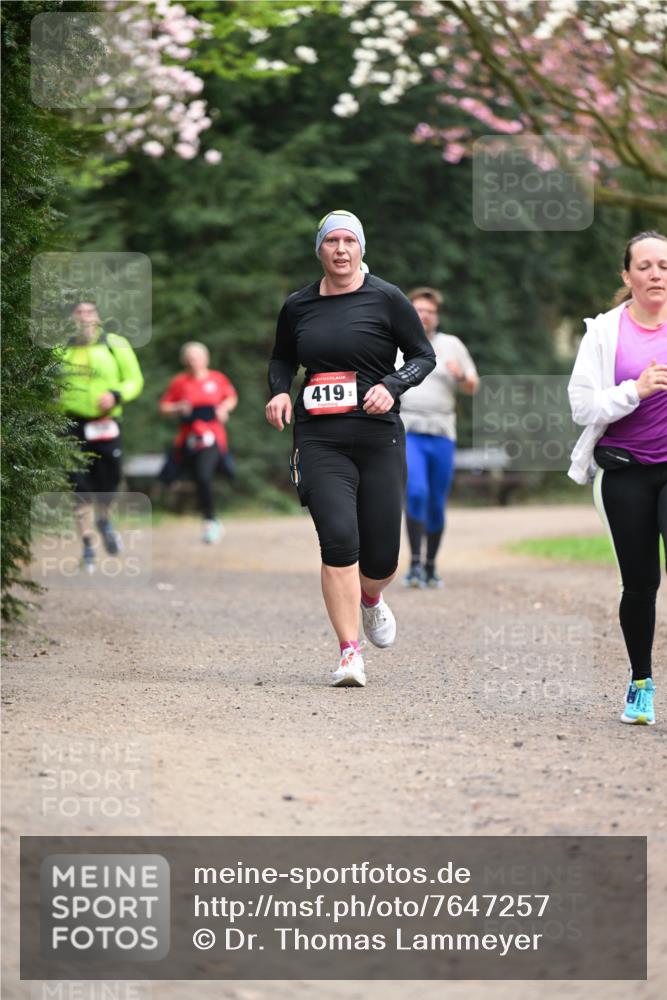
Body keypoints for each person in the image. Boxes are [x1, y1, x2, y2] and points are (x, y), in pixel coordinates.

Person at [266, 210, 435, 687]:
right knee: (339, 540)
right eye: (331, 241)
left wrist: (393, 385)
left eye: (349, 241)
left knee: (380, 558)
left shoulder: (386, 298)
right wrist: (280, 390)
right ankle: (348, 652)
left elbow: (423, 355)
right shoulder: (298, 305)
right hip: (319, 438)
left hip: (378, 435)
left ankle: (371, 599)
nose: (340, 249)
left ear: (361, 248)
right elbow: (282, 357)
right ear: (319, 249)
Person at [568, 230, 667, 726]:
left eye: (664, 266)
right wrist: (637, 389)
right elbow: (582, 406)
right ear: (627, 276)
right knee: (641, 582)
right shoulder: (605, 332)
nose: (656, 274)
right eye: (645, 266)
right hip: (624, 470)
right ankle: (641, 683)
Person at [398, 287, 479, 588]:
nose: (424, 315)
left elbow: (473, 385)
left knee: (436, 502)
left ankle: (431, 566)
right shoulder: (397, 343)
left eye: (430, 311)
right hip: (409, 430)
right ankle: (415, 564)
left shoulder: (452, 345)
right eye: (418, 310)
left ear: (437, 316)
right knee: (416, 492)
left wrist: (460, 375)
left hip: (443, 431)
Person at [58, 301, 144, 571]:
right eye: (79, 313)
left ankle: (104, 519)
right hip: (71, 423)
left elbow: (134, 380)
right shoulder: (61, 349)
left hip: (106, 422)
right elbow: (46, 383)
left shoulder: (114, 344)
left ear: (99, 318)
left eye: (89, 312)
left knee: (108, 479)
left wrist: (116, 394)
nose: (84, 318)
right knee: (78, 485)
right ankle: (87, 546)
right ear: (72, 319)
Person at [159, 342, 237, 544]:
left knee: (203, 475)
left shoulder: (217, 378)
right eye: (190, 358)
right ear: (185, 361)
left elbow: (231, 397)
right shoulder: (179, 382)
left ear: (206, 359)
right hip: (189, 438)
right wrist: (178, 407)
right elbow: (164, 407)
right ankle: (209, 517)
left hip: (212, 436)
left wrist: (223, 408)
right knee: (188, 478)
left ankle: (210, 521)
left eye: (198, 357)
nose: (194, 361)